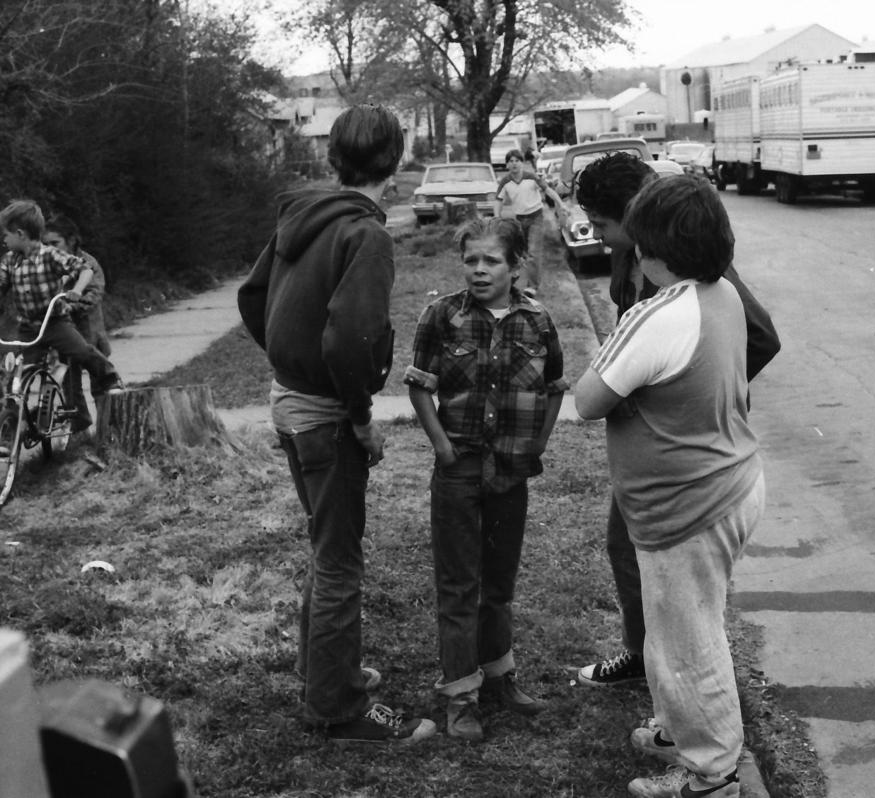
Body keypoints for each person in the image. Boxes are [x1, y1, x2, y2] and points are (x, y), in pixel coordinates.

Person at [237, 104, 435, 744]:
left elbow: (251, 297)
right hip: (324, 418)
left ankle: (325, 668)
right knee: (341, 559)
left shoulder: (303, 215)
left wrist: (287, 357)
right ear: (397, 160)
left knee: (327, 547)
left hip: (288, 403)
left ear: (333, 158)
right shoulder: (365, 235)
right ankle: (336, 706)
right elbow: (353, 339)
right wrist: (360, 418)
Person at [575, 174, 765, 798]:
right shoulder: (723, 296)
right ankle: (676, 729)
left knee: (691, 641)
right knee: (675, 627)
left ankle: (712, 774)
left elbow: (587, 400)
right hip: (732, 484)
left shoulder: (660, 314)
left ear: (655, 250)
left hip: (686, 506)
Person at [404, 215, 567, 742]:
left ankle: (500, 677)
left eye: (490, 261)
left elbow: (556, 385)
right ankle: (461, 696)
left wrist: (537, 444)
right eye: (470, 260)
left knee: (498, 584)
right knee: (458, 586)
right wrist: (442, 446)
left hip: (510, 471)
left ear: (515, 265)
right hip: (459, 471)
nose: (478, 270)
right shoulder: (442, 316)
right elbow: (420, 385)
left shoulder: (538, 322)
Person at [0, 200, 124, 423]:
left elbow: (84, 269)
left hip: (55, 323)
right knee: (16, 378)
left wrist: (76, 290)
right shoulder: (9, 262)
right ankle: (11, 426)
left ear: (20, 234)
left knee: (82, 352)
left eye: (6, 235)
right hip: (28, 329)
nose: (4, 240)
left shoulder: (50, 255)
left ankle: (110, 379)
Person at [43, 215, 111, 434]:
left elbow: (95, 293)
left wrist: (72, 305)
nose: (50, 248)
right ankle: (80, 428)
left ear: (71, 240)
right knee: (70, 387)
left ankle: (106, 429)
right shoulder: (49, 265)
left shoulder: (88, 264)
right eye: (46, 244)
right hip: (64, 334)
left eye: (55, 243)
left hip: (89, 332)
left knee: (99, 385)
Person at [495, 148, 562, 298]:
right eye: (511, 161)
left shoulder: (531, 178)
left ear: (522, 163)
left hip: (536, 218)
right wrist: (496, 218)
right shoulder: (506, 182)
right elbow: (498, 201)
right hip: (519, 220)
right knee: (520, 253)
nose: (514, 164)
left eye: (517, 161)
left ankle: (532, 287)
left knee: (533, 253)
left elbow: (548, 191)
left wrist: (561, 205)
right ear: (507, 165)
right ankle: (515, 280)